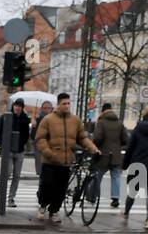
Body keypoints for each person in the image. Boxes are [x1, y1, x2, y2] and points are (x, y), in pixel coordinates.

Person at [34, 93, 99, 225]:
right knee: (47, 185)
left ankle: (54, 211)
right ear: (58, 104)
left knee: (61, 189)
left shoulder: (75, 120)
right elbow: (40, 139)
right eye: (64, 103)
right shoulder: (48, 119)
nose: (67, 106)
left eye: (68, 103)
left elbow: (83, 138)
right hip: (50, 160)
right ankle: (43, 205)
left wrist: (94, 149)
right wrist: (49, 153)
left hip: (65, 161)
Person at [0, 99, 30, 207]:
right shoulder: (6, 117)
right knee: (6, 173)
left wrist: (22, 142)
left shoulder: (25, 119)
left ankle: (11, 198)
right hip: (8, 149)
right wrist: (1, 144)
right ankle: (2, 196)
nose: (17, 108)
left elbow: (26, 134)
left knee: (16, 175)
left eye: (20, 106)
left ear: (22, 108)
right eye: (16, 106)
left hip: (19, 150)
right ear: (13, 106)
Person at [91, 103, 127, 210]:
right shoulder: (120, 123)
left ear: (103, 111)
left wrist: (94, 146)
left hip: (103, 155)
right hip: (116, 155)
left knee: (98, 176)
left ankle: (94, 196)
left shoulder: (101, 122)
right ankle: (115, 199)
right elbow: (126, 139)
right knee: (116, 176)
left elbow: (97, 138)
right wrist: (117, 145)